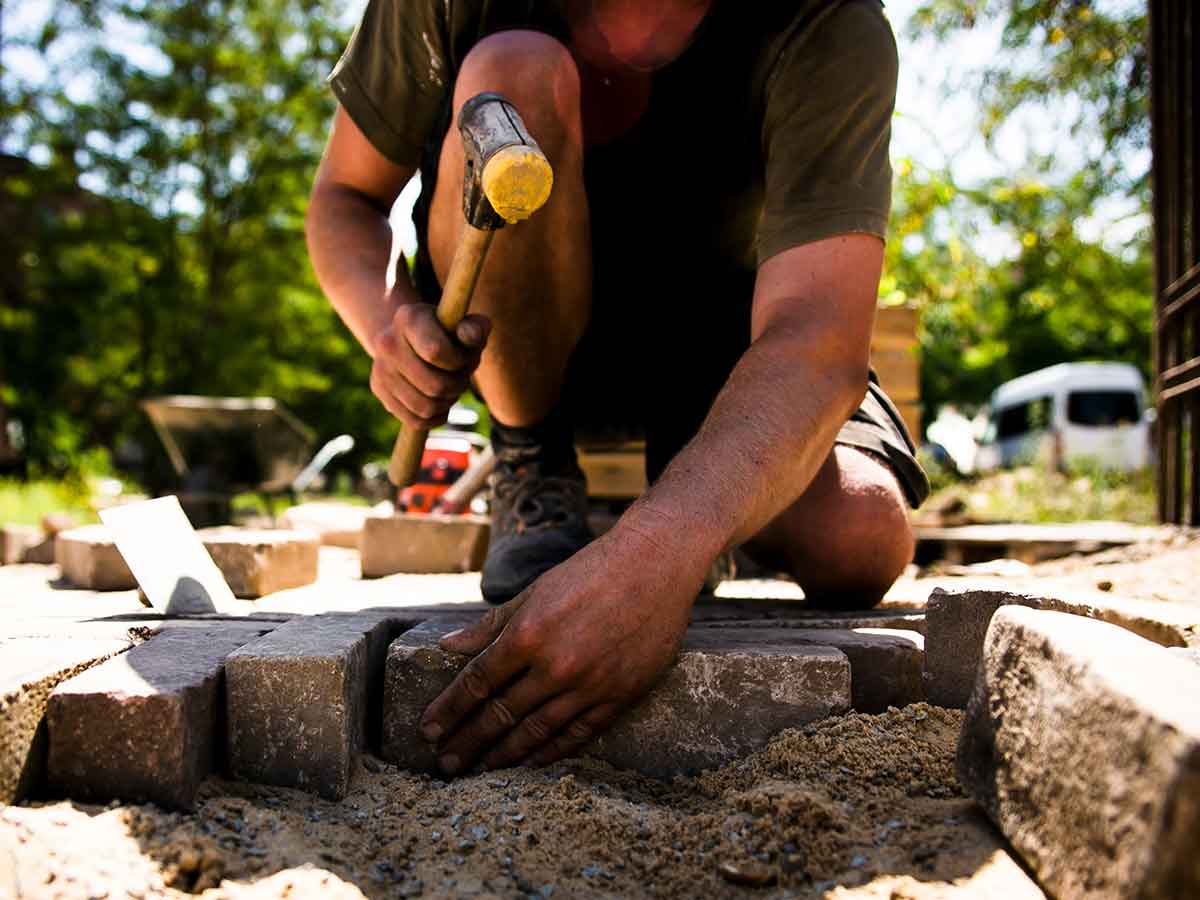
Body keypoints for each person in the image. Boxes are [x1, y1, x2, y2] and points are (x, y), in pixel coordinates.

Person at [306, 0, 929, 776]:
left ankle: (692, 483)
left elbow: (816, 340)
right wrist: (387, 321)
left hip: (728, 351)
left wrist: (661, 551)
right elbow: (344, 198)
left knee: (861, 539)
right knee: (514, 70)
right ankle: (531, 453)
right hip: (529, 341)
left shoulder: (825, 22)